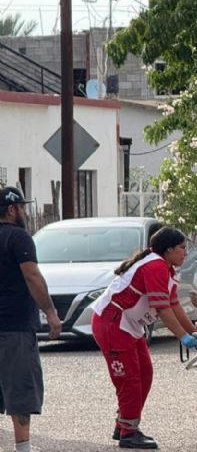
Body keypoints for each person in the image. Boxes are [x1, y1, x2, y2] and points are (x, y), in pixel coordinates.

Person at [91, 226, 197, 450]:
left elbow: (173, 305)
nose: (185, 253)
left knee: (145, 374)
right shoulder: (154, 266)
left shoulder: (165, 268)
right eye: (182, 248)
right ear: (168, 249)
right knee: (129, 379)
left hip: (128, 325)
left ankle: (123, 425)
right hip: (113, 324)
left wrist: (194, 332)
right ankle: (129, 433)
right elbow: (162, 308)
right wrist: (182, 336)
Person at [0, 187, 62, 452]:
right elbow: (32, 277)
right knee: (21, 389)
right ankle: (23, 447)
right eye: (22, 208)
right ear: (12, 209)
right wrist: (50, 312)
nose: (25, 212)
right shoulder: (18, 237)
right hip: (13, 326)